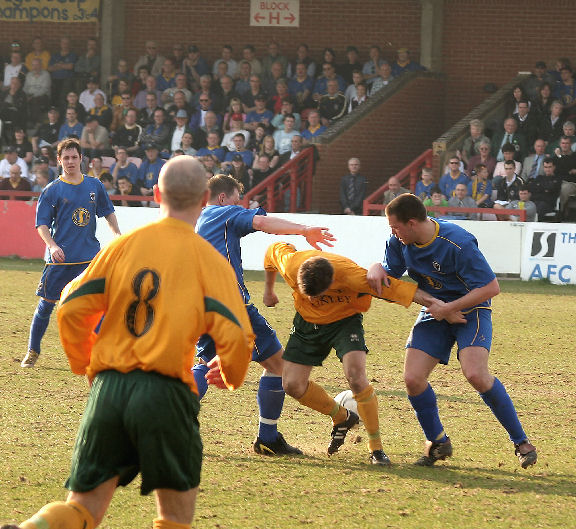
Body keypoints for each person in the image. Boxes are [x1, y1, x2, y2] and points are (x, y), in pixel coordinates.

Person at [2, 155, 255, 529]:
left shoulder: (123, 248)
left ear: (155, 194)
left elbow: (70, 307)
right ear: (206, 198)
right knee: (173, 519)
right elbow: (237, 334)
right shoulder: (210, 261)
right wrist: (232, 372)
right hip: (166, 392)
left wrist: (88, 364)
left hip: (110, 390)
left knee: (83, 508)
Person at [366, 194, 538, 468]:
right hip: (435, 311)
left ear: (411, 223)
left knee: (476, 375)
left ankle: (521, 442)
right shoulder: (398, 242)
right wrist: (377, 267)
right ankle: (437, 442)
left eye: (395, 227)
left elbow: (491, 287)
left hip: (471, 310)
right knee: (412, 379)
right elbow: (391, 276)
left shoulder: (457, 241)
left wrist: (449, 308)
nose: (393, 233)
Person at [191, 174, 334, 458]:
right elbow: (262, 222)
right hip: (230, 305)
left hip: (198, 304)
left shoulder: (197, 219)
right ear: (223, 198)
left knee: (207, 362)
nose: (239, 207)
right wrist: (305, 230)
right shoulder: (225, 213)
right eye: (236, 200)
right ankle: (267, 438)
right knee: (278, 364)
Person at [259, 242, 434, 465]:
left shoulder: (352, 276)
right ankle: (342, 417)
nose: (313, 299)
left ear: (333, 282)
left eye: (319, 295)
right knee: (292, 385)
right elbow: (272, 251)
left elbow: (395, 288)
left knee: (356, 376)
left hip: (345, 321)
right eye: (308, 294)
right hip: (307, 324)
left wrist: (436, 303)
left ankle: (376, 449)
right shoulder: (292, 264)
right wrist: (268, 290)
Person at [21, 138, 121, 368]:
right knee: (46, 305)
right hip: (60, 260)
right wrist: (53, 246)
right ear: (59, 160)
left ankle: (101, 352)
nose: (70, 161)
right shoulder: (52, 190)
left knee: (99, 306)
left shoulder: (94, 185)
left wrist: (117, 234)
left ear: (81, 158)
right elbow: (42, 224)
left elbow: (108, 212)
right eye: (66, 157)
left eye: (74, 157)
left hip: (89, 259)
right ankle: (33, 351)